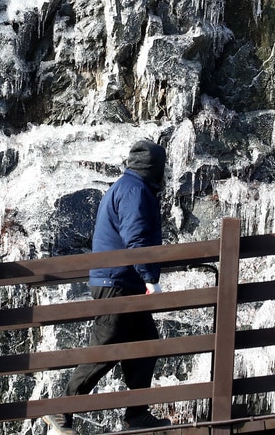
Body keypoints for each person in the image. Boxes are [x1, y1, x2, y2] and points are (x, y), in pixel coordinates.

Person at [43, 139, 171, 434]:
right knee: (107, 346)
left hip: (121, 280)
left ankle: (137, 413)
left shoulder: (128, 186)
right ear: (154, 167)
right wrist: (150, 278)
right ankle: (62, 409)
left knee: (146, 344)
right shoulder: (134, 191)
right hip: (117, 282)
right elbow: (136, 237)